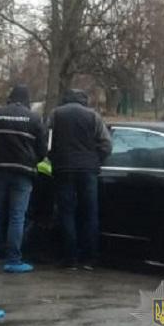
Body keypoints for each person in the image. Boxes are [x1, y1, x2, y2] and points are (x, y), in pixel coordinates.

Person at [0, 84, 47, 273]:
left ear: (10, 96)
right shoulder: (34, 119)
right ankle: (13, 260)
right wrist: (31, 160)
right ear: (27, 100)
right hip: (23, 173)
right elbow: (42, 151)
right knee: (17, 216)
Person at [48, 89, 112, 270]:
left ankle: (69, 258)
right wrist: (96, 159)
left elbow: (47, 142)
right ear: (84, 101)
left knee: (66, 213)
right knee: (90, 213)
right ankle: (89, 259)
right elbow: (107, 144)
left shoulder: (56, 114)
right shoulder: (93, 116)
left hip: (63, 169)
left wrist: (54, 158)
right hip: (88, 170)